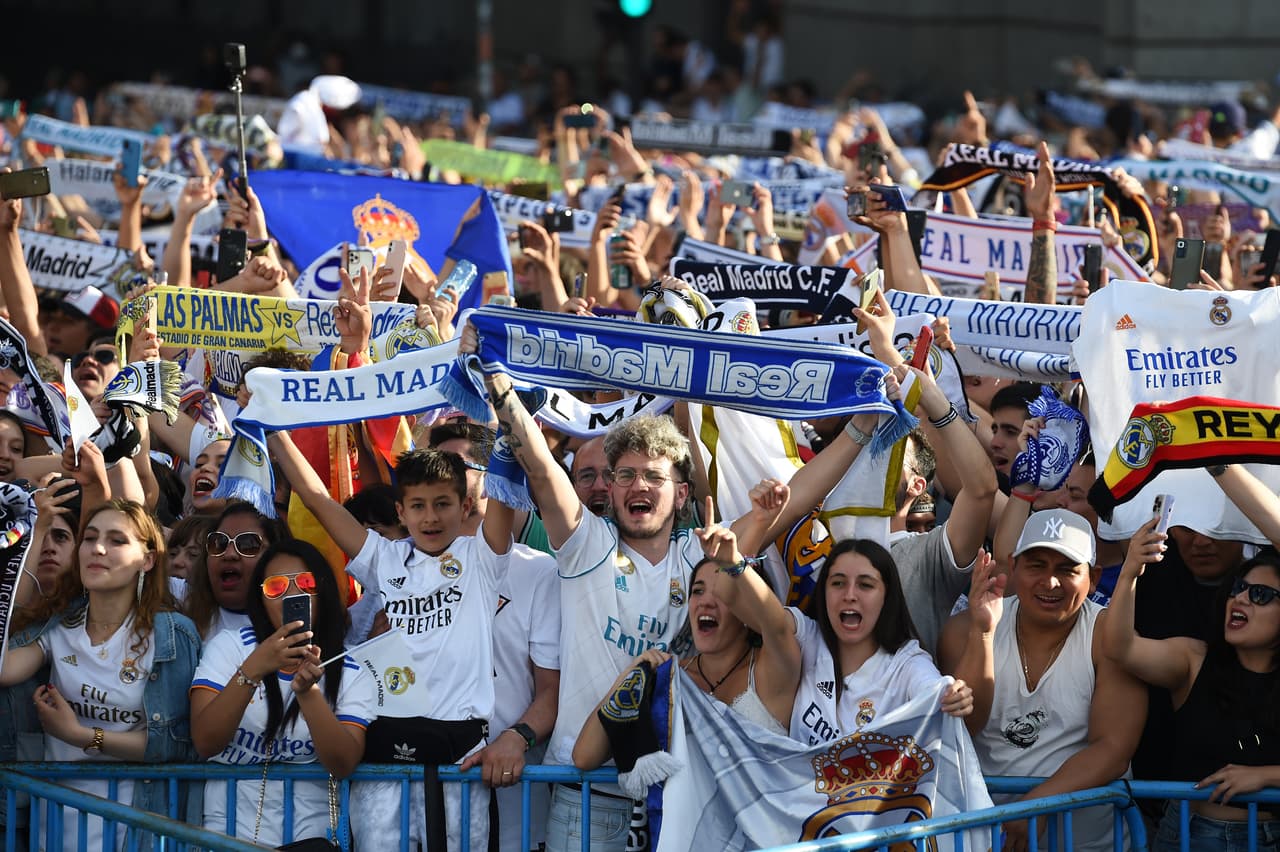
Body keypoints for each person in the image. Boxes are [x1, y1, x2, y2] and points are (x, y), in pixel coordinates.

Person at [271, 433, 514, 852]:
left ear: (467, 506)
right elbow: (316, 498)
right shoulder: (385, 559)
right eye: (418, 506)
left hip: (459, 755)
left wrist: (510, 427)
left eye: (443, 504)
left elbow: (508, 490)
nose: (431, 517)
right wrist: (274, 430)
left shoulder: (482, 558)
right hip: (388, 752)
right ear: (400, 511)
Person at [941, 508, 1147, 852]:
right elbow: (964, 728)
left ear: (1093, 577)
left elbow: (1113, 749)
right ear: (1014, 565)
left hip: (1089, 844)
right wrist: (983, 632)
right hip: (987, 839)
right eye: (1037, 565)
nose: (1050, 582)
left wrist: (1036, 804)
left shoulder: (1108, 634)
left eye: (1067, 569)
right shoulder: (965, 629)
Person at [1, 499, 200, 852]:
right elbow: (3, 669)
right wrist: (36, 535)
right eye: (89, 538)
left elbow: (176, 746)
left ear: (148, 559)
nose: (98, 549)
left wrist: (80, 736)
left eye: (117, 540)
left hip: (135, 829)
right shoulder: (58, 624)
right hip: (52, 827)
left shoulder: (172, 635)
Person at [189, 539, 375, 846]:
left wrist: (308, 693)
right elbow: (206, 741)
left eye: (306, 583)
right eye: (276, 587)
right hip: (227, 834)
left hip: (311, 837)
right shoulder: (230, 646)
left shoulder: (351, 669)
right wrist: (252, 670)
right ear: (260, 598)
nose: (293, 594)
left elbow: (343, 763)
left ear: (323, 591)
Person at [183, 501, 290, 640]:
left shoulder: (290, 628)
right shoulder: (182, 601)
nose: (229, 554)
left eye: (247, 544)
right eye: (219, 543)